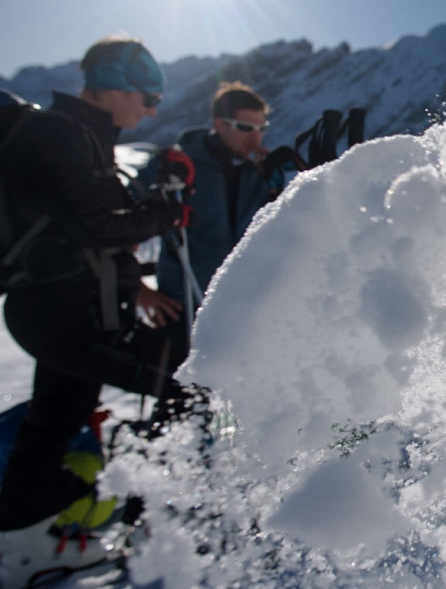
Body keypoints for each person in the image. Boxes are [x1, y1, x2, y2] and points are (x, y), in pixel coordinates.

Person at [0, 38, 200, 533]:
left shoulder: (75, 136)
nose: (152, 108)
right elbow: (101, 226)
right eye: (147, 97)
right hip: (71, 319)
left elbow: (89, 231)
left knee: (55, 421)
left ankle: (29, 505)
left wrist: (138, 284)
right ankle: (150, 500)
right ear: (113, 88)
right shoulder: (64, 135)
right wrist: (171, 210)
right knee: (187, 375)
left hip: (58, 314)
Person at [139, 81, 279, 338]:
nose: (256, 138)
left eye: (262, 128)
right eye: (245, 128)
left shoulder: (256, 174)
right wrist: (135, 288)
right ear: (219, 124)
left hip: (243, 311)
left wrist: (276, 192)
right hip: (183, 308)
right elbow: (115, 220)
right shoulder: (176, 166)